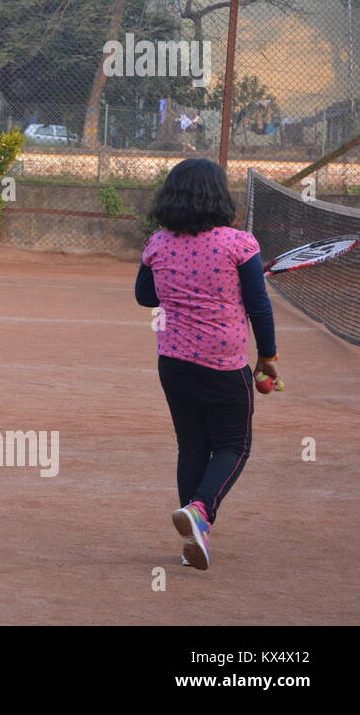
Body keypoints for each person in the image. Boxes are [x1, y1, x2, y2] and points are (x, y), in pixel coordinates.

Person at [134, 159, 277, 571]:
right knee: (235, 445)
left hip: (174, 363)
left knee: (193, 445)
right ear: (219, 196)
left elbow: (146, 297)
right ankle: (200, 512)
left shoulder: (158, 243)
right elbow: (259, 307)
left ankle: (194, 536)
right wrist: (267, 357)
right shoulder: (240, 244)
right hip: (224, 364)